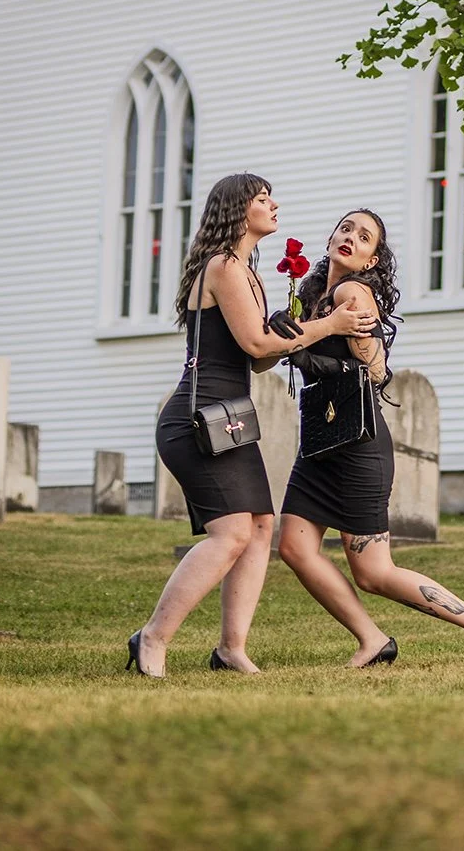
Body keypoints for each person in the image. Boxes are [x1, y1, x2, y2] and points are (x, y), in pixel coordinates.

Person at [128, 173, 375, 678]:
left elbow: (259, 358)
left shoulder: (249, 272)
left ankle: (230, 649)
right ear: (240, 209)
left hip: (233, 418)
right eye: (263, 199)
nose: (274, 204)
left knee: (261, 527)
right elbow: (259, 347)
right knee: (232, 534)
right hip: (198, 419)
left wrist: (291, 329)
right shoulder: (222, 268)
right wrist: (327, 326)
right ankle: (152, 638)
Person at [272, 208, 464, 666]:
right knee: (295, 548)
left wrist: (309, 354)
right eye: (346, 228)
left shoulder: (352, 292)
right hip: (320, 444)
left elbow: (375, 371)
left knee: (374, 573)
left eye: (365, 237)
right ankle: (373, 641)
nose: (351, 237)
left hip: (356, 446)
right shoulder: (313, 293)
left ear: (373, 260)